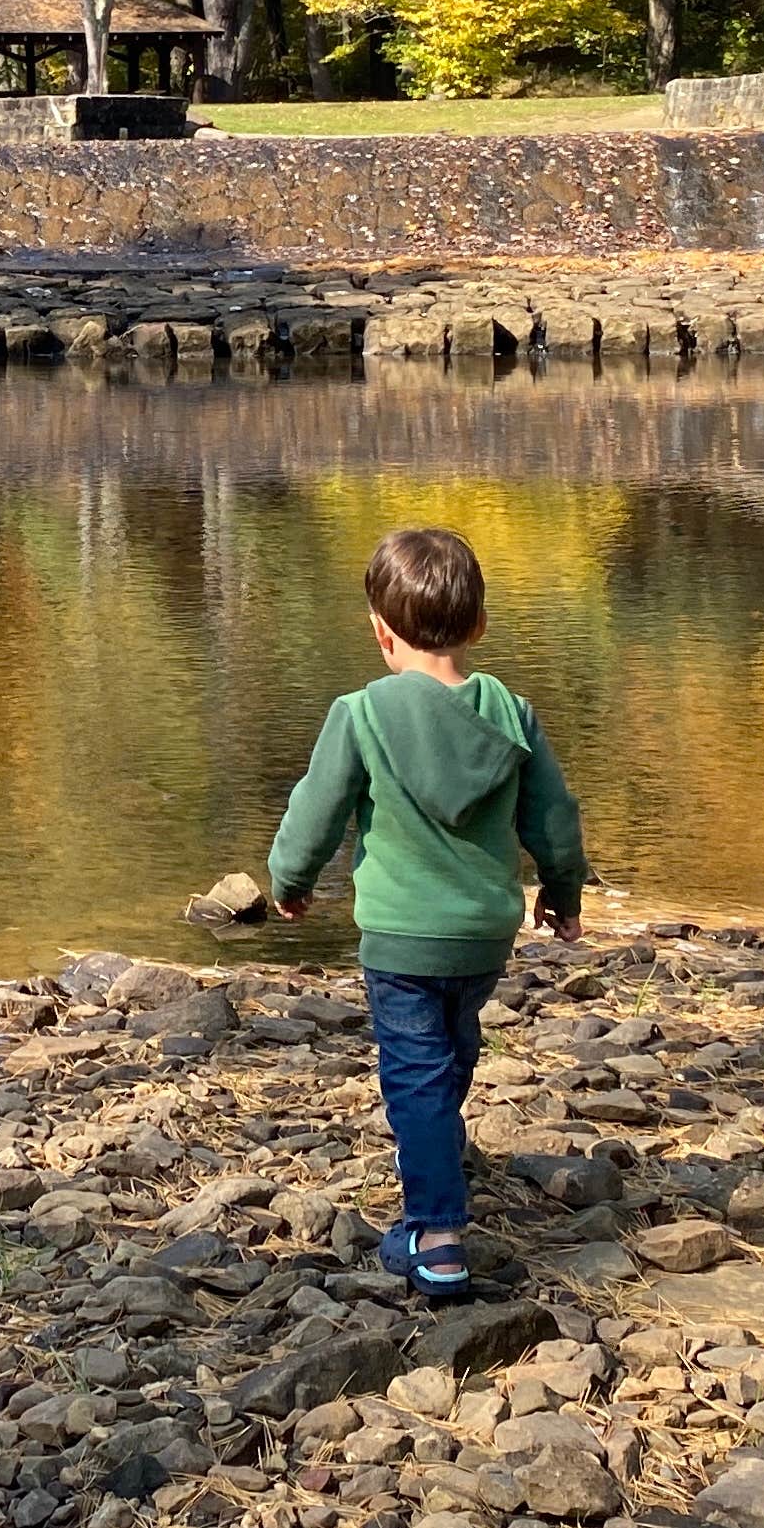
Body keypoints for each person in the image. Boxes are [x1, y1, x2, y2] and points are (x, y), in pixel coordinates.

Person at [264, 524, 589, 1299]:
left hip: (402, 936)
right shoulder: (511, 714)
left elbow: (317, 809)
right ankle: (442, 1142)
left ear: (381, 632)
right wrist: (563, 893)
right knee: (450, 1050)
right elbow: (554, 819)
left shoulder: (363, 713)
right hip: (481, 934)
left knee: (414, 1073)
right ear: (477, 627)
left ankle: (437, 1234)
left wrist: (289, 881)